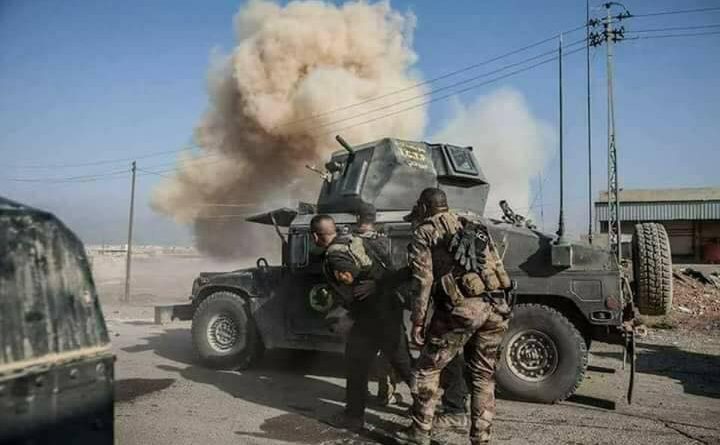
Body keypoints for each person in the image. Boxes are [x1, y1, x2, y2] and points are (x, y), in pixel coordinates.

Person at [395, 188, 512, 445]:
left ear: (423, 207)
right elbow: (497, 265)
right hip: (497, 307)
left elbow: (423, 280)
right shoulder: (473, 224)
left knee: (426, 369)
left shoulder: (425, 231)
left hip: (462, 311)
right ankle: (481, 438)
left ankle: (419, 433)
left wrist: (418, 320)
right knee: (483, 376)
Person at [310, 214, 413, 431]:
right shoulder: (354, 241)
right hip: (387, 309)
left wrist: (361, 295)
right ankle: (427, 409)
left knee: (357, 363)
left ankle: (353, 417)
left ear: (315, 236)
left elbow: (352, 278)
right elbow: (382, 269)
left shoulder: (335, 256)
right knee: (403, 362)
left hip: (372, 315)